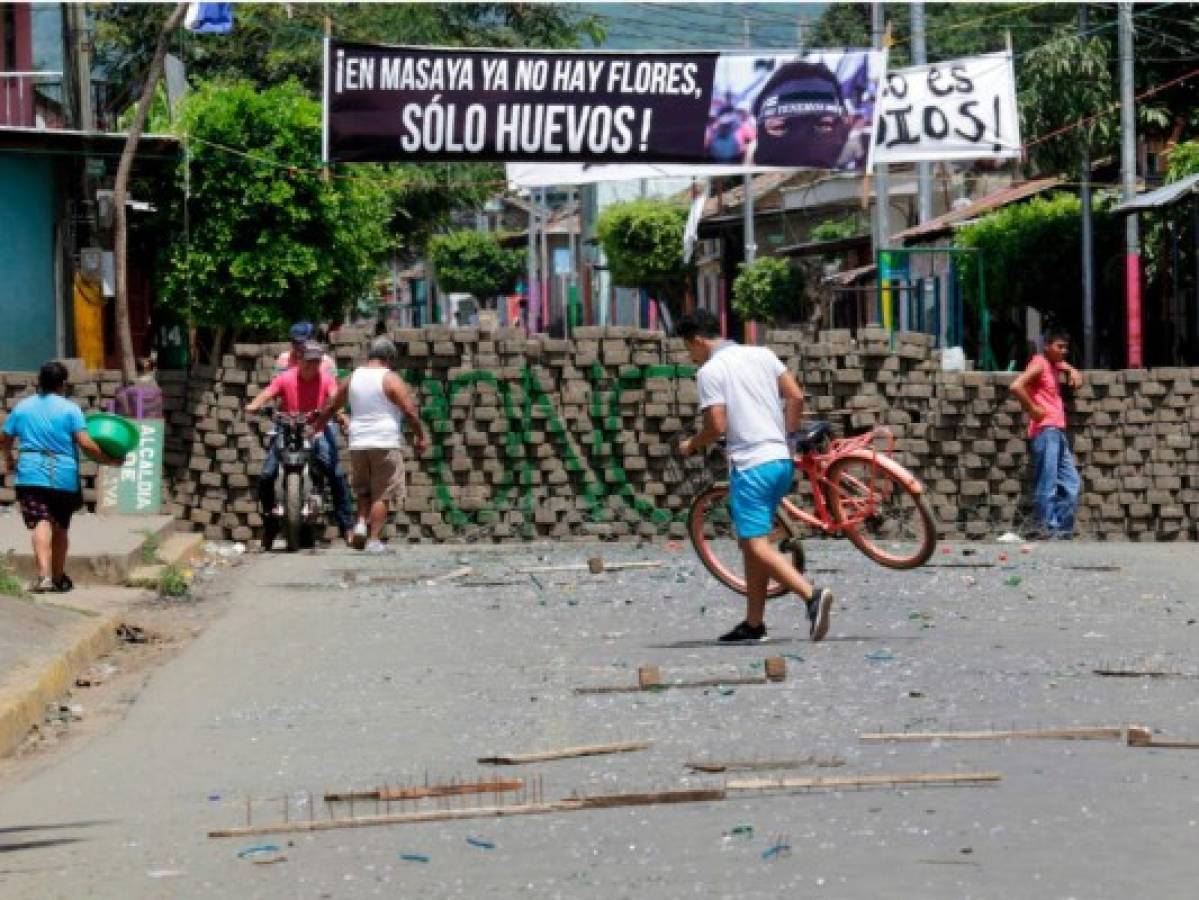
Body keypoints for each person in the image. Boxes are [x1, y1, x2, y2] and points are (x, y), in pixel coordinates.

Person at [677, 310, 834, 643]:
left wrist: (692, 444)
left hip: (751, 465)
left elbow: (716, 425)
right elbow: (796, 395)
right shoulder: (761, 354)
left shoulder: (710, 371)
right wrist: (789, 436)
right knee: (753, 544)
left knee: (754, 544)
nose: (690, 356)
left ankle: (811, 595)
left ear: (698, 341)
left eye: (688, 349)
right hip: (780, 461)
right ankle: (753, 623)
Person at [0, 361, 124, 592]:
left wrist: (8, 458)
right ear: (63, 384)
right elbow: (86, 443)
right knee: (61, 527)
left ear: (40, 382)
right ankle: (57, 577)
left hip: (31, 474)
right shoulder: (71, 409)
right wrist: (109, 460)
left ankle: (44, 576)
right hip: (63, 477)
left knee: (40, 521)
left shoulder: (22, 408)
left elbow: (4, 438)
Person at [312, 337, 426, 553]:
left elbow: (330, 406)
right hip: (384, 442)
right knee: (382, 493)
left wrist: (316, 428)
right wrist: (421, 437)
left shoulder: (352, 378)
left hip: (358, 443)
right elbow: (410, 411)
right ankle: (374, 540)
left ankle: (361, 525)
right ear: (388, 358)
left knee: (363, 490)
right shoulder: (390, 378)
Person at [246, 341, 353, 548]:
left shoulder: (326, 379)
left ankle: (346, 526)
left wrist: (341, 416)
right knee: (267, 474)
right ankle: (270, 526)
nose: (311, 367)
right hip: (286, 427)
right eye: (308, 361)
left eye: (315, 362)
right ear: (300, 360)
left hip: (316, 428)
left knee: (336, 473)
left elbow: (334, 399)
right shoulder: (286, 377)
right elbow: (268, 393)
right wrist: (253, 405)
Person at [1009, 330, 1083, 539]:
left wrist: (1073, 371)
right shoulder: (1040, 363)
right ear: (1047, 347)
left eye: (1065, 348)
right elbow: (1016, 386)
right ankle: (1045, 529)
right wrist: (1032, 408)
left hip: (1057, 431)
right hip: (1045, 431)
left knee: (1072, 483)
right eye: (1059, 347)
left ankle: (1061, 531)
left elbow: (1068, 369)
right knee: (1047, 483)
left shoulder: (1053, 365)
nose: (1064, 351)